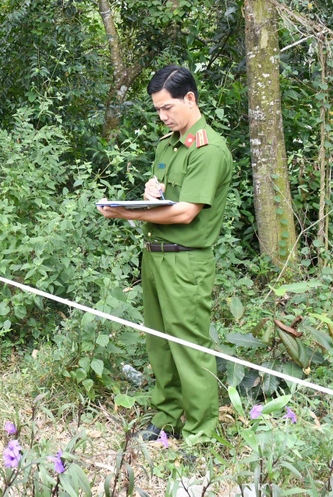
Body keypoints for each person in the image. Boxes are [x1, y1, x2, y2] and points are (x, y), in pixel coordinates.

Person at [97, 65, 232, 442]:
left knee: (189, 348)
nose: (163, 116)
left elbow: (187, 211)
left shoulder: (209, 149)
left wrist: (123, 212)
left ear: (190, 99)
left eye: (168, 107)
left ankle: (201, 432)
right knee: (159, 344)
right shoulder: (167, 144)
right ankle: (167, 417)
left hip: (186, 260)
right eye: (157, 109)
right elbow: (166, 200)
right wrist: (149, 197)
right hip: (155, 255)